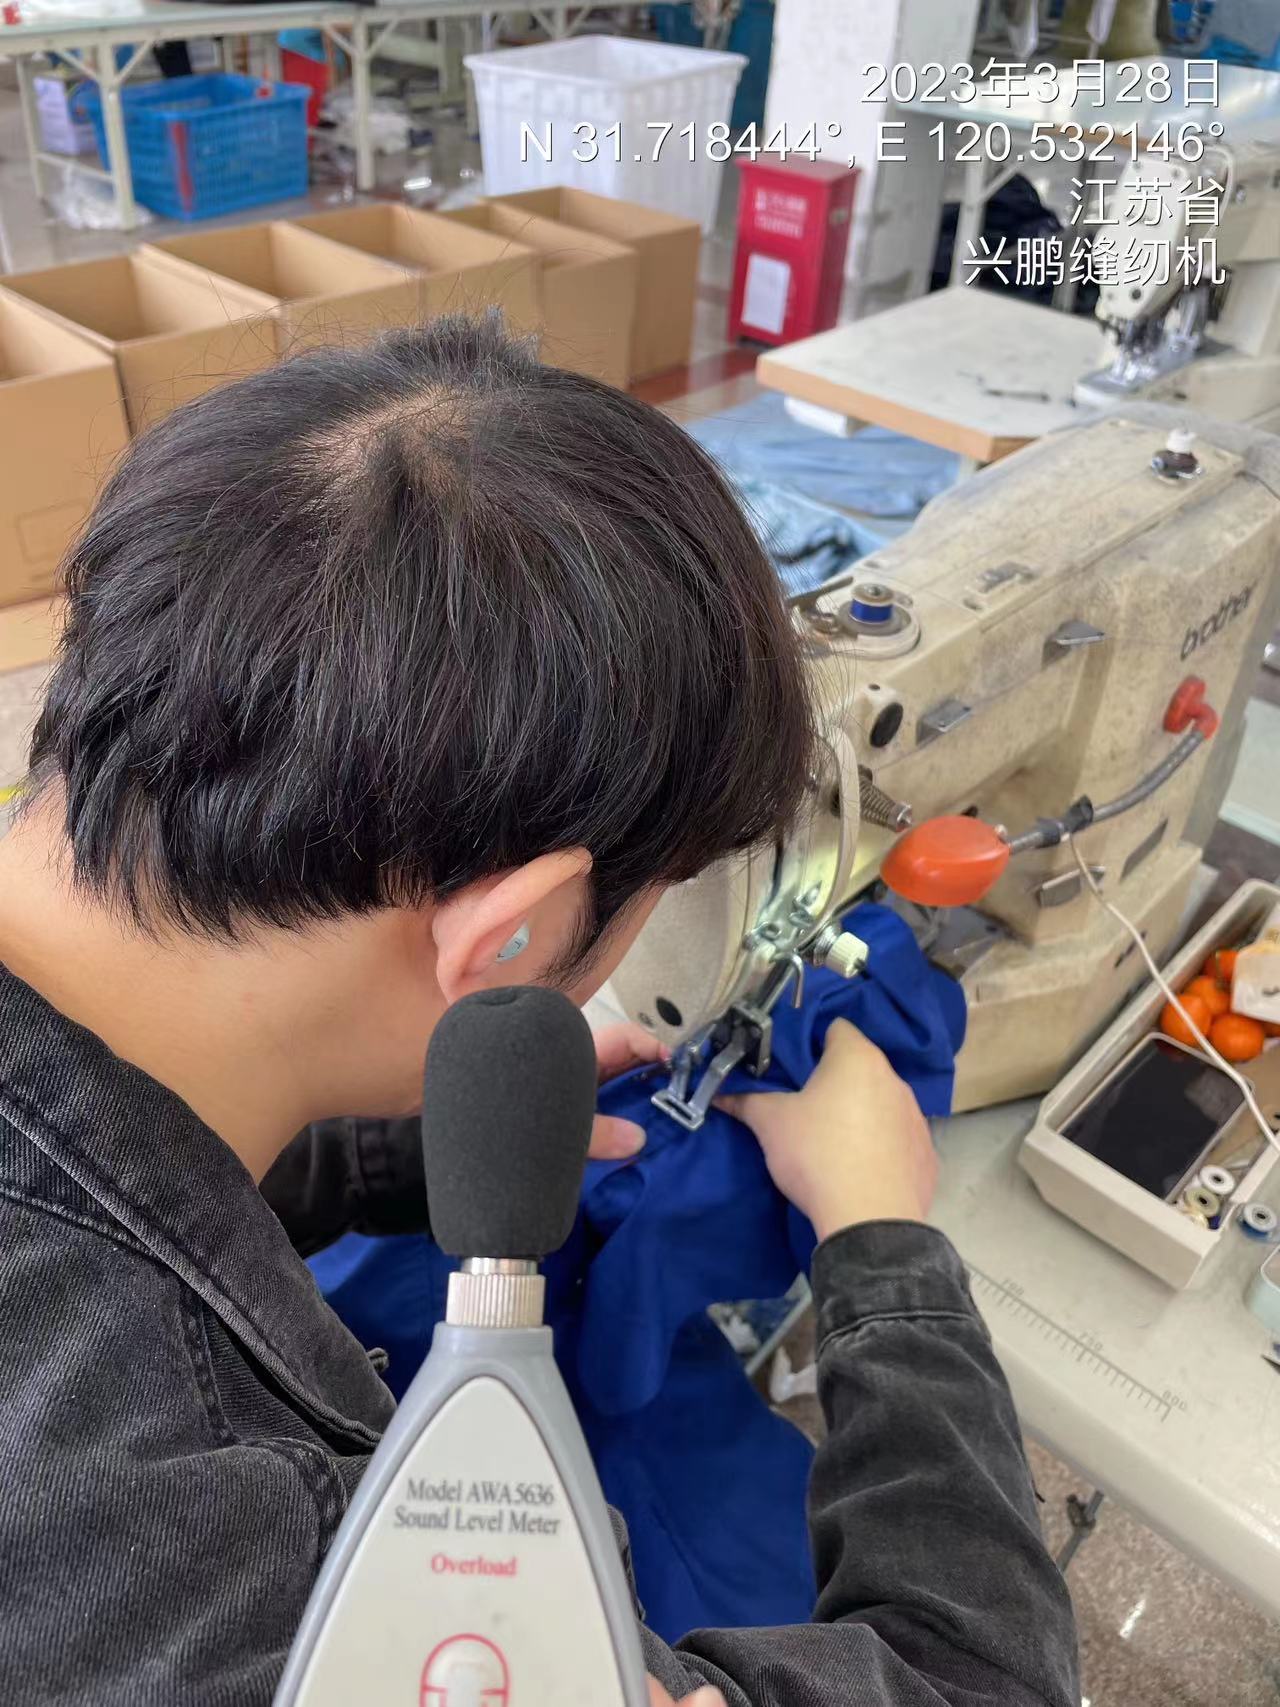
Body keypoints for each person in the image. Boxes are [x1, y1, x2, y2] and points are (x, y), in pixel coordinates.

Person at [0, 315, 1079, 1706]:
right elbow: (985, 1686)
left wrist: (397, 1158)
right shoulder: (251, 1601)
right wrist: (885, 1252)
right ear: (512, 935)